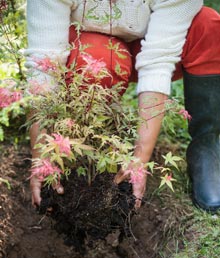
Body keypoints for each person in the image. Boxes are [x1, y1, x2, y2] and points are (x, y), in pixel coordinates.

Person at [25, 0, 220, 212]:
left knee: (208, 27)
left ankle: (206, 145)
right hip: (92, 50)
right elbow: (44, 66)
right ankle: (84, 144)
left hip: (152, 42)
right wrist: (41, 157)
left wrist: (140, 159)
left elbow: (158, 62)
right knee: (98, 58)